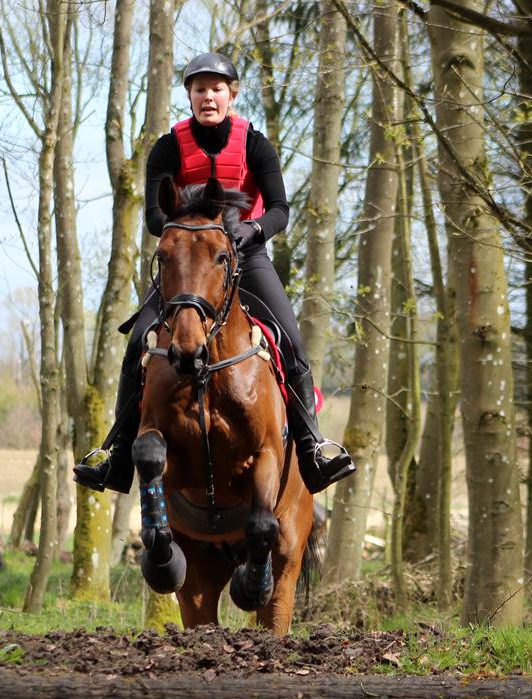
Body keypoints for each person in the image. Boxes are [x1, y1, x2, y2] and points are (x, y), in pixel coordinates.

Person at [74, 52, 355, 496]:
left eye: (217, 89)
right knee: (137, 343)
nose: (208, 97)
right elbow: (153, 217)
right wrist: (187, 224)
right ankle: (116, 455)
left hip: (246, 255)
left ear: (231, 95)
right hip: (189, 263)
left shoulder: (255, 144)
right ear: (189, 96)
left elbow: (280, 209)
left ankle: (312, 448)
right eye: (199, 89)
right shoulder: (167, 148)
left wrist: (250, 230)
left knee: (292, 342)